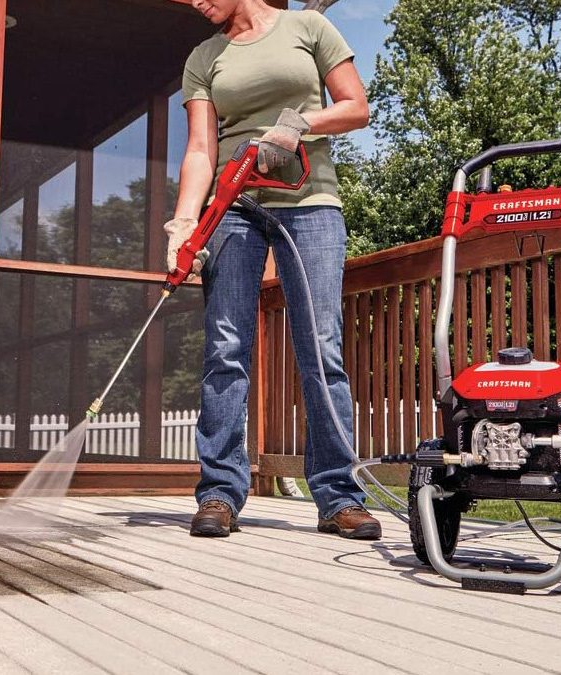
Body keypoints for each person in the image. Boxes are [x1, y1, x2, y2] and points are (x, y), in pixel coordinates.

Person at [167, 0, 380, 539]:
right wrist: (185, 223)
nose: (194, 3)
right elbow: (201, 149)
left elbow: (356, 107)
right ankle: (219, 492)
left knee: (321, 347)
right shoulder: (203, 58)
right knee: (225, 348)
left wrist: (298, 124)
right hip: (232, 206)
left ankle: (339, 496)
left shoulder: (307, 27)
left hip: (310, 203)